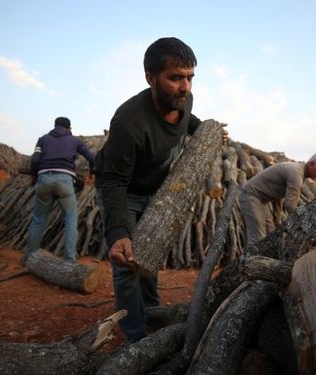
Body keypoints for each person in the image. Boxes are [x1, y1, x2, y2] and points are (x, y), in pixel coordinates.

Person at [94, 37, 226, 343]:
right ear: (150, 78)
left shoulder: (183, 100)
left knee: (149, 257)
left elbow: (184, 122)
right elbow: (113, 181)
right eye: (175, 78)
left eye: (190, 77)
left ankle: (151, 317)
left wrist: (204, 130)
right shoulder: (129, 122)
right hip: (123, 189)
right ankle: (135, 338)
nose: (185, 87)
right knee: (128, 264)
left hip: (154, 188)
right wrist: (118, 233)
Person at [24, 116, 95, 263]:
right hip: (64, 180)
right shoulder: (75, 141)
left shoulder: (42, 139)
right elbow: (91, 157)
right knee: (70, 218)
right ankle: (69, 259)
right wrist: (92, 172)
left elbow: (35, 160)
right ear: (69, 128)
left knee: (38, 219)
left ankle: (29, 257)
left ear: (55, 126)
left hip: (44, 179)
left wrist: (35, 176)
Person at [239, 153, 316, 246]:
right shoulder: (296, 174)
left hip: (261, 200)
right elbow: (290, 206)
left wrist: (277, 219)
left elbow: (278, 196)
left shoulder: (299, 173)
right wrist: (303, 222)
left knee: (270, 230)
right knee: (257, 236)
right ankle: (250, 259)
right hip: (251, 195)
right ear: (311, 164)